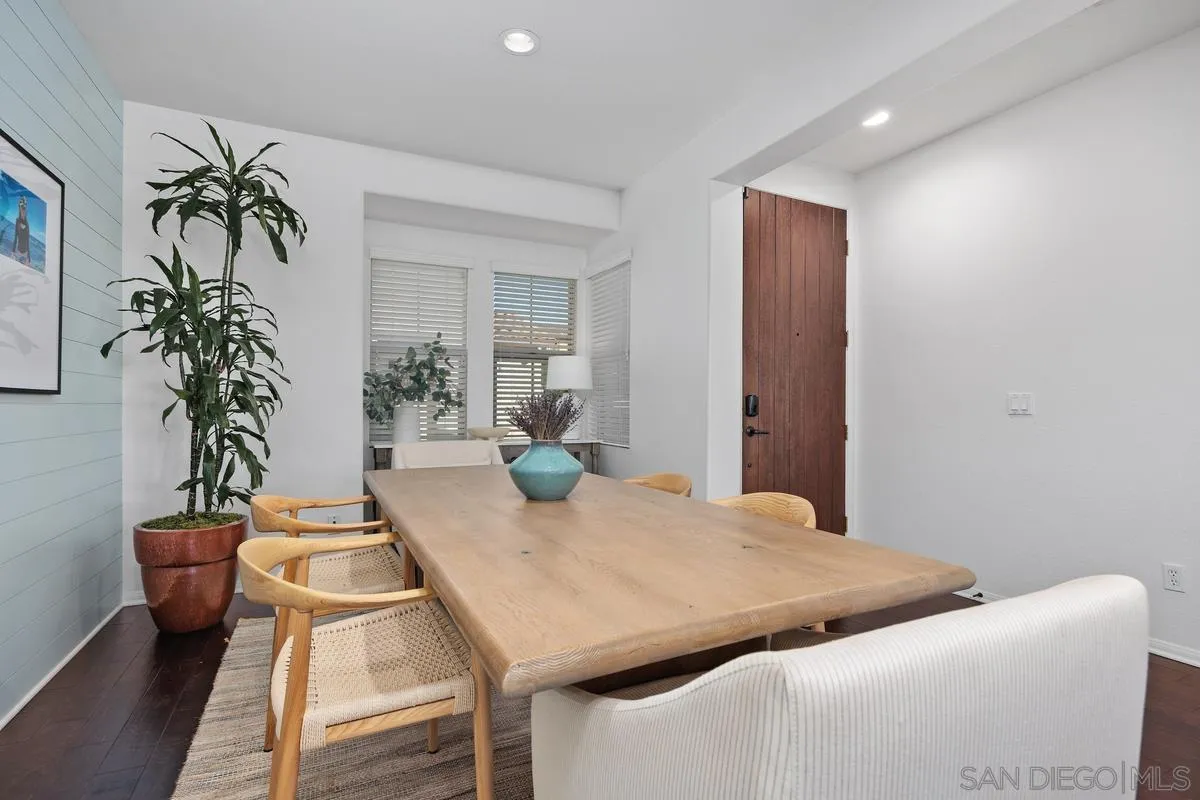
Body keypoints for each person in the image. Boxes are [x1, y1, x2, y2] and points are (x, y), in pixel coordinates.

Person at [12, 196, 31, 265]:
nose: (23, 210)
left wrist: (29, 259)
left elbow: (27, 242)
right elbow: (15, 237)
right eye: (21, 208)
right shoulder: (17, 221)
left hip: (25, 254)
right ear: (19, 209)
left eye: (24, 209)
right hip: (18, 252)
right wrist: (13, 252)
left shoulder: (27, 224)